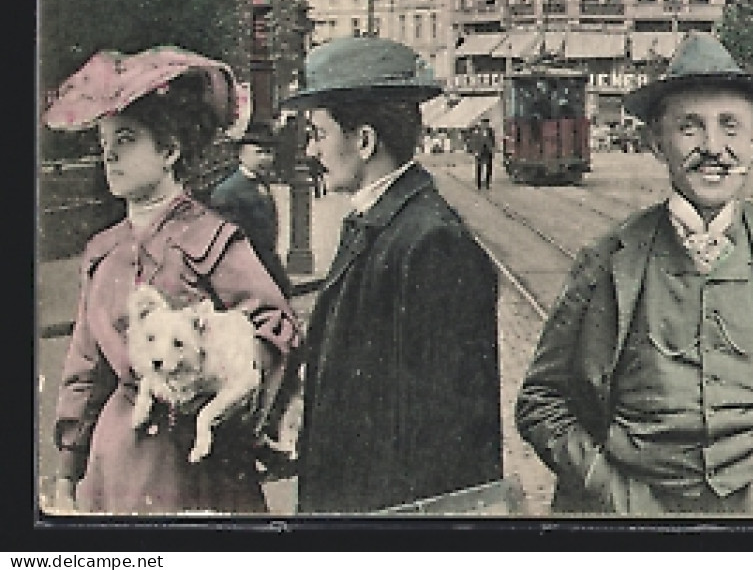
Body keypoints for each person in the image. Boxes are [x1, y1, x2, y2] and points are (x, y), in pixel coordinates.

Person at [516, 33, 753, 515]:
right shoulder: (606, 261)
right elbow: (541, 401)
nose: (714, 148)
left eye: (730, 127)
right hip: (635, 521)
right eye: (689, 128)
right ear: (656, 141)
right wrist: (607, 488)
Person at [43, 49, 300, 513]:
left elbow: (275, 325)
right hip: (116, 462)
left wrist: (228, 382)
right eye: (104, 142)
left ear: (169, 151)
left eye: (125, 139)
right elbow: (84, 370)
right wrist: (67, 477)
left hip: (196, 466)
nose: (109, 153)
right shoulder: (103, 252)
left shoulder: (211, 237)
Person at [288, 36, 503, 513]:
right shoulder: (381, 221)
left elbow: (446, 437)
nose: (311, 149)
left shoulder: (431, 243)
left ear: (363, 141)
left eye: (319, 134)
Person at [210, 121, 294, 298]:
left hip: (267, 270)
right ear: (241, 154)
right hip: (246, 278)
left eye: (269, 153)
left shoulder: (260, 184)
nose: (265, 159)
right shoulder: (227, 192)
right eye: (259, 153)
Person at [468, 119, 496, 190]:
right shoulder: (477, 131)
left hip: (488, 151)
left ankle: (487, 183)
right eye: (484, 123)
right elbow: (474, 142)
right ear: (481, 124)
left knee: (489, 168)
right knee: (479, 168)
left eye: (487, 124)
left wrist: (493, 150)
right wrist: (475, 151)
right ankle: (478, 183)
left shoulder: (490, 131)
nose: (485, 125)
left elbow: (493, 141)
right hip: (480, 151)